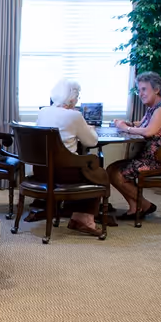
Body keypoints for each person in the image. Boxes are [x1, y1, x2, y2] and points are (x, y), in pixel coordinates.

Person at [33, 77, 113, 235]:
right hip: (65, 172)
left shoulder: (43, 112)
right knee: (99, 174)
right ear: (71, 97)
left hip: (41, 170)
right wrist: (90, 129)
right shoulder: (74, 116)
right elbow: (91, 142)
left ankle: (77, 214)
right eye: (78, 95)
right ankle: (84, 218)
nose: (77, 99)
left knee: (90, 170)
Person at [108, 72, 161, 222]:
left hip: (160, 159)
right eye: (139, 90)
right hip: (149, 156)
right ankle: (135, 208)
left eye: (144, 89)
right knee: (111, 170)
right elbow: (143, 124)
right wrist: (126, 124)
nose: (140, 93)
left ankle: (145, 205)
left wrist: (125, 129)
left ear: (156, 89)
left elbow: (149, 131)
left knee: (117, 173)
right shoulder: (153, 107)